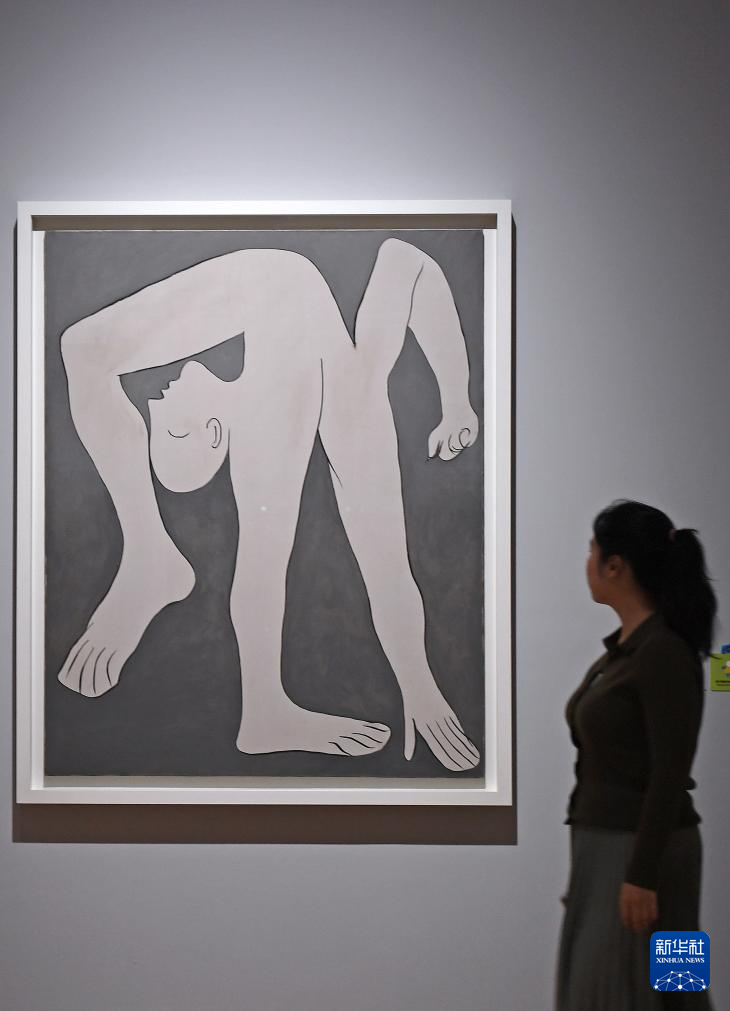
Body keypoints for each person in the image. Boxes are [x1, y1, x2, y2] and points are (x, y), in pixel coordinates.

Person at [57, 237, 481, 772]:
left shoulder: (327, 380)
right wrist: (419, 685)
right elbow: (404, 261)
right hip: (276, 295)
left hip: (274, 295)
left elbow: (404, 261)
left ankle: (153, 559)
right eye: (173, 430)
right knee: (266, 540)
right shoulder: (301, 411)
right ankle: (258, 701)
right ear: (216, 432)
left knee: (83, 347)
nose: (156, 400)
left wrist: (457, 401)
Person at [557, 501, 716, 1009]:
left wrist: (641, 875)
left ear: (615, 566)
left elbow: (670, 773)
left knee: (676, 992)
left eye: (592, 550)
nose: (586, 562)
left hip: (649, 853)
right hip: (607, 846)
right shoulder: (625, 651)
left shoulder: (663, 652)